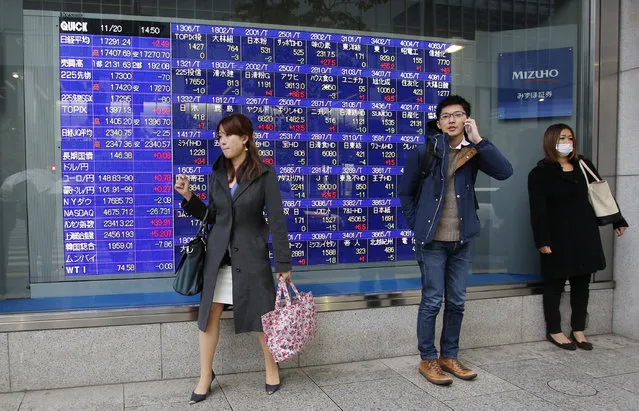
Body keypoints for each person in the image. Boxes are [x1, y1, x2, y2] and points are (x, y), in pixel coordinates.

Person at [174, 113, 292, 403]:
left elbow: (276, 220)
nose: (222, 141)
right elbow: (214, 217)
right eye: (219, 136)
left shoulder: (265, 175)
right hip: (218, 258)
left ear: (245, 138)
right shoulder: (217, 174)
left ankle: (271, 365)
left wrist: (284, 264)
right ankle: (205, 375)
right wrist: (189, 198)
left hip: (251, 257)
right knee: (208, 318)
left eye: (227, 135)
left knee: (261, 317)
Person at [399, 95, 513, 386]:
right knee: (432, 301)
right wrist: (417, 226)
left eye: (458, 114)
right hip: (432, 241)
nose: (451, 120)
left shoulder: (473, 151)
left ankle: (450, 356)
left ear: (467, 120)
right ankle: (428, 359)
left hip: (461, 240)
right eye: (446, 116)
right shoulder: (425, 150)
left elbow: (504, 172)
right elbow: (406, 193)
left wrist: (480, 140)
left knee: (458, 301)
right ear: (438, 122)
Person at [527, 123, 628, 351]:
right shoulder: (540, 173)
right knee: (554, 284)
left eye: (570, 138)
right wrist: (542, 241)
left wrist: (617, 220)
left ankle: (579, 329)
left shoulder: (583, 165)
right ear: (551, 141)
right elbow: (537, 211)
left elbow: (602, 195)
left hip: (584, 233)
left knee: (582, 283)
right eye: (562, 137)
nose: (567, 142)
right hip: (556, 237)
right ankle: (554, 330)